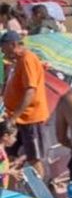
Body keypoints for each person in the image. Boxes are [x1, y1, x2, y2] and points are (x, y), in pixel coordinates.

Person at [0, 31, 48, 177]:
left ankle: (40, 190)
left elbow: (30, 91)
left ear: (13, 45)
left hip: (30, 118)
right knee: (10, 155)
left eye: (3, 48)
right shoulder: (18, 61)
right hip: (17, 118)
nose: (2, 52)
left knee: (34, 157)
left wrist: (14, 117)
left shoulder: (28, 59)